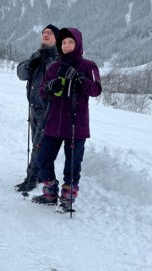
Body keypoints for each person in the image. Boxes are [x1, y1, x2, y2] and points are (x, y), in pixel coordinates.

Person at [32, 27, 102, 213]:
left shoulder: (89, 66)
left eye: (71, 42)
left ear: (78, 44)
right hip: (54, 123)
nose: (67, 45)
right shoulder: (54, 67)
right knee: (42, 159)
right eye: (63, 42)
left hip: (76, 125)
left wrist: (79, 79)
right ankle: (50, 192)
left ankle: (68, 198)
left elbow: (96, 90)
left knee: (72, 164)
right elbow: (42, 91)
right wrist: (49, 87)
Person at [15, 24, 60, 193]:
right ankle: (41, 175)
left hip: (48, 109)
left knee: (38, 146)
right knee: (38, 144)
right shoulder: (37, 55)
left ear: (56, 38)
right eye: (44, 33)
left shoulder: (57, 58)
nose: (46, 35)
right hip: (33, 107)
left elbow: (54, 76)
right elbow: (21, 74)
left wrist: (47, 60)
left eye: (50, 33)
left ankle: (31, 179)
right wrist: (29, 64)